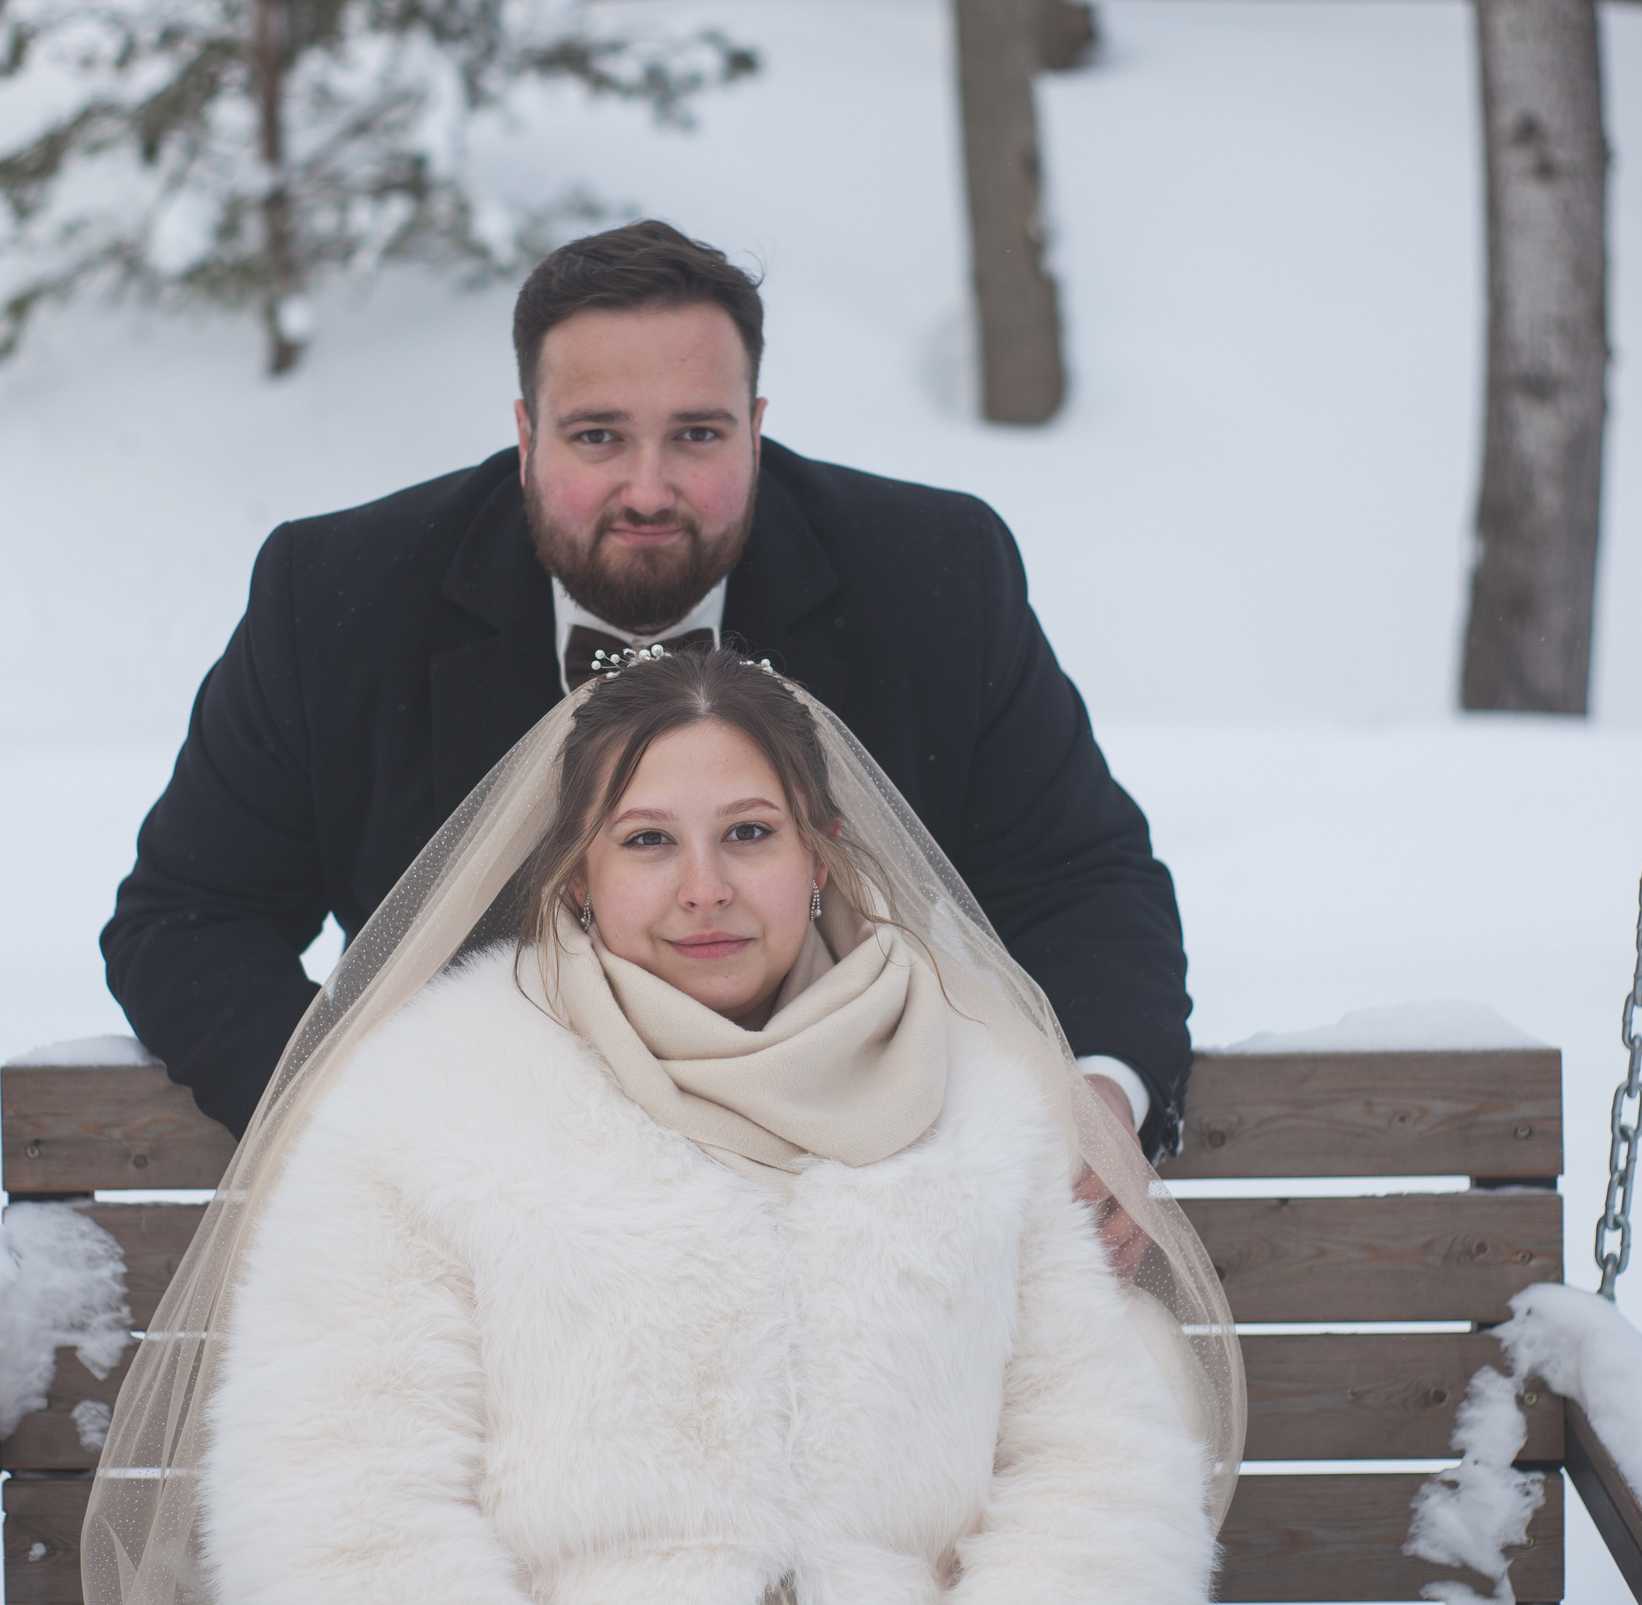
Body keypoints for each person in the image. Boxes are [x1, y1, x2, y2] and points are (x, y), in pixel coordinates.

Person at [83, 650, 1243, 1605]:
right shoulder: (428, 1105)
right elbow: (339, 1502)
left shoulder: (987, 1101)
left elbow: (1095, 1463)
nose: (704, 888)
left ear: (820, 850)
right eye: (646, 841)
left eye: (748, 833)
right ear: (578, 874)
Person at [102, 219, 1198, 1162]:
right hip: (484, 1210)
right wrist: (381, 1126)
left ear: (756, 431)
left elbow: (1077, 880)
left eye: (697, 435)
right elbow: (190, 923)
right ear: (525, 436)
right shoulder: (339, 598)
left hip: (842, 1193)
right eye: (596, 437)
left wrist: (1100, 1096)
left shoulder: (932, 575)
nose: (648, 488)